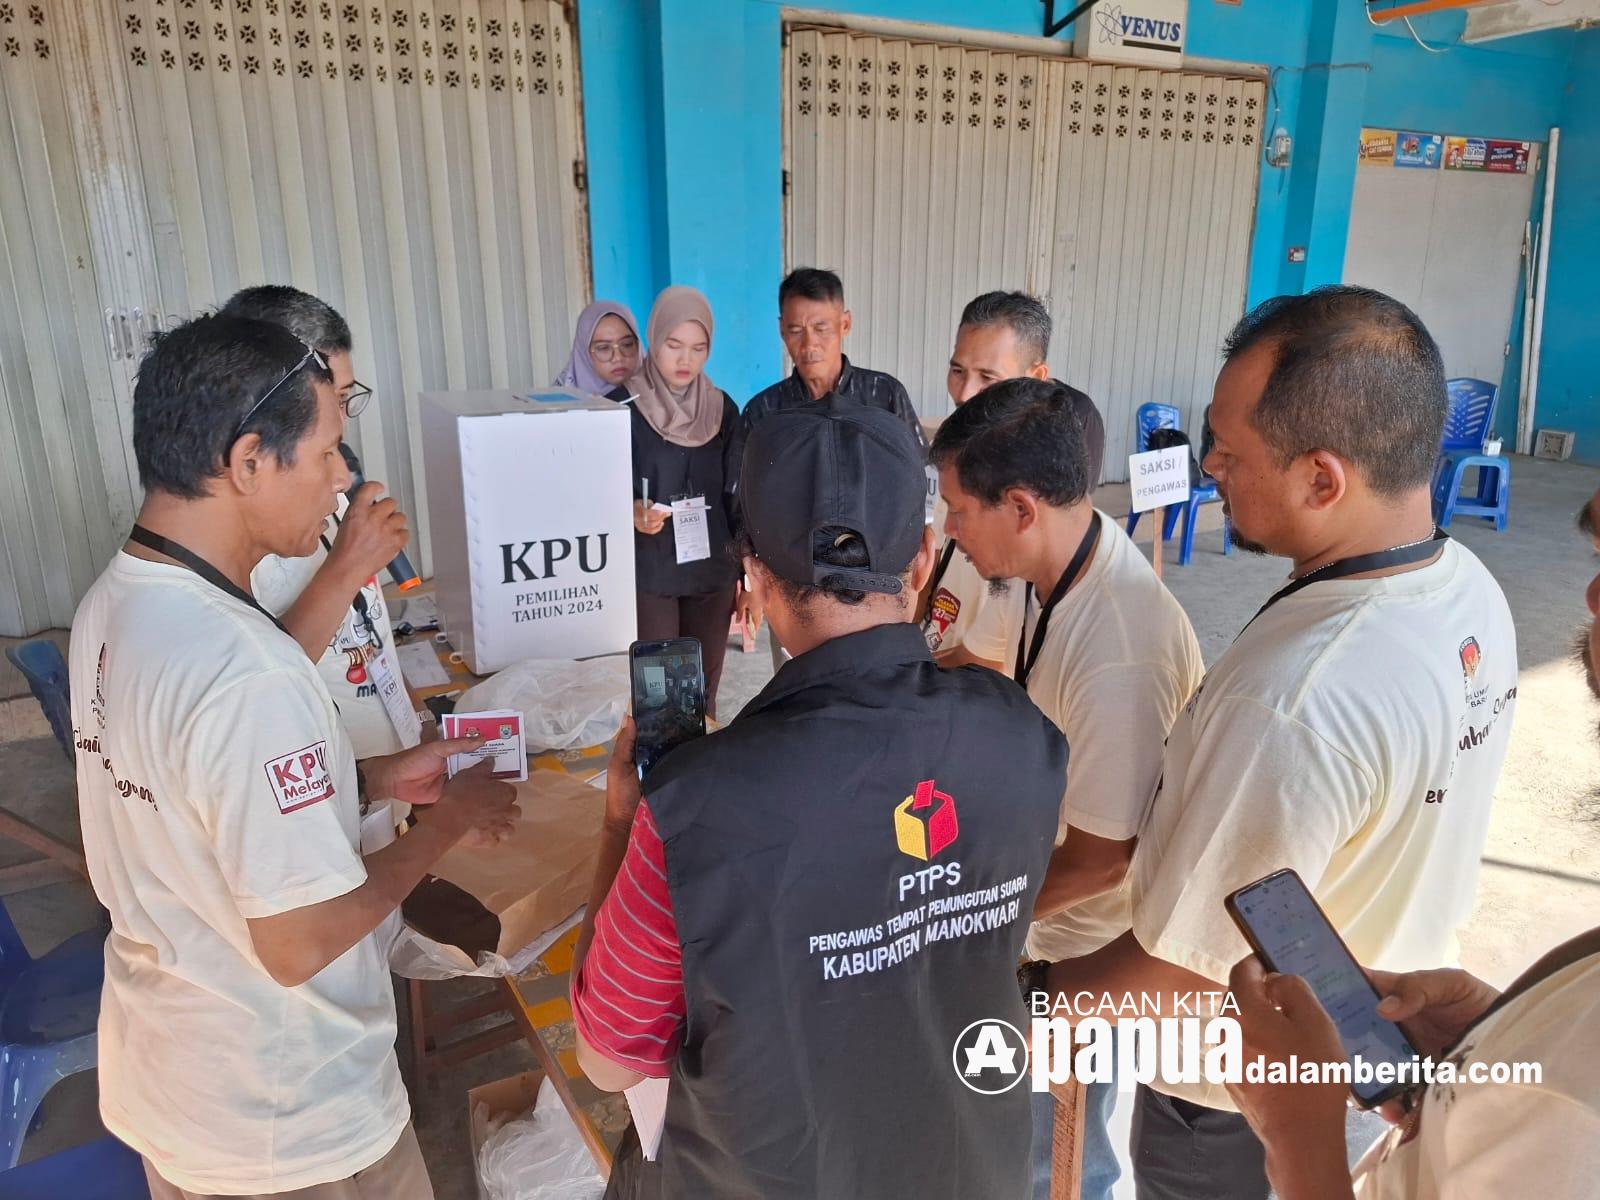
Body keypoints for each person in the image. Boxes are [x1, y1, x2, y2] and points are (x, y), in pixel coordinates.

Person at [1033, 286, 1519, 1198]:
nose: (1209, 464)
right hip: (1373, 1050)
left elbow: (1182, 971)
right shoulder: (1464, 587)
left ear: (1322, 480)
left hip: (1242, 1104)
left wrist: (1028, 993)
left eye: (1229, 449)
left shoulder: (1296, 694)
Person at [69, 313, 518, 1199]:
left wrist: (372, 780)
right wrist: (444, 828)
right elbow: (299, 941)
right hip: (288, 1121)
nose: (344, 478)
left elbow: (196, 803)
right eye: (324, 453)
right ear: (248, 462)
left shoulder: (115, 604)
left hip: (175, 1081)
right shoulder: (245, 670)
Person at [569, 403, 1067, 1199]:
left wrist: (619, 823)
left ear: (753, 579)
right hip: (972, 1168)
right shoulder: (1024, 738)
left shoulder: (695, 807)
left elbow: (609, 1058)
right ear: (923, 560)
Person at [1222, 490, 1600, 1199]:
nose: (1591, 594)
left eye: (1231, 451)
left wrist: (1297, 1137)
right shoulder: (1463, 584)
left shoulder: (1575, 1109)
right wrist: (1496, 1036)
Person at [932, 378, 1202, 1200]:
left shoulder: (1119, 650)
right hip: (1042, 920)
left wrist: (972, 921)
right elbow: (984, 665)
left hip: (1085, 951)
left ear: (1020, 508)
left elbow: (1101, 859)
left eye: (958, 511)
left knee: (1056, 1161)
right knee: (1008, 1134)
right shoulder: (1047, 565)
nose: (948, 531)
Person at [221, 286, 417, 761]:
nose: (341, 424)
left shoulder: (331, 483)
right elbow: (260, 687)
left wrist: (420, 721)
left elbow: (367, 635)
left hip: (388, 766)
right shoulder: (238, 533)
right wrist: (348, 566)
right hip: (334, 783)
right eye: (329, 398)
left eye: (346, 397)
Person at [925, 291, 1105, 666]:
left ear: (1036, 378)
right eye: (957, 371)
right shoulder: (963, 448)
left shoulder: (1040, 481)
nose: (964, 394)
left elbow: (989, 655)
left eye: (987, 377)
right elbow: (938, 546)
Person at [625, 286, 750, 717]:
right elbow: (590, 491)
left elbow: (738, 495)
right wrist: (628, 511)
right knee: (659, 700)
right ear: (653, 340)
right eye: (674, 345)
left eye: (699, 349)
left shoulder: (721, 409)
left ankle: (702, 762)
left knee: (702, 695)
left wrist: (748, 577)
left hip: (712, 573)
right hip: (651, 574)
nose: (686, 360)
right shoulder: (622, 407)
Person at [741, 267, 925, 442]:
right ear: (782, 330)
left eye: (821, 329)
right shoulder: (763, 411)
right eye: (796, 331)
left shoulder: (885, 394)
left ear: (845, 325)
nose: (809, 345)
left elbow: (919, 463)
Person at [554, 299, 643, 401]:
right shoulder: (560, 403)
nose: (618, 358)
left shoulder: (653, 396)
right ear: (584, 354)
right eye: (603, 348)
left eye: (627, 344)